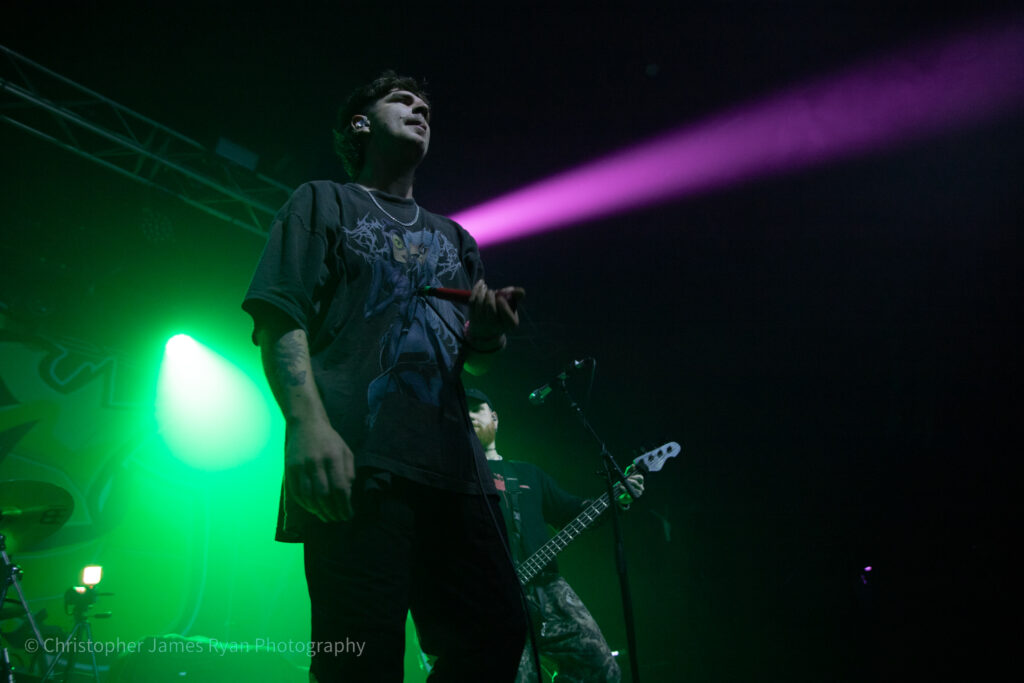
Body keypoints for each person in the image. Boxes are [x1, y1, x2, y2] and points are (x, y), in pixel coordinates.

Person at [242, 71, 527, 682]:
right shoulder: (322, 201)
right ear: (361, 124)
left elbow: (475, 358)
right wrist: (306, 427)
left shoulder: (457, 237)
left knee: (498, 632)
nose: (420, 108)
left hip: (457, 473)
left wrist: (488, 330)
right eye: (402, 100)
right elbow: (278, 313)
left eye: (426, 105)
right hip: (359, 460)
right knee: (358, 659)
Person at [466, 389, 644, 683]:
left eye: (476, 409)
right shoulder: (456, 477)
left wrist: (618, 499)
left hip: (546, 587)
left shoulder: (528, 474)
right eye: (463, 411)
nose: (469, 416)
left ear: (495, 418)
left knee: (601, 668)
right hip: (492, 597)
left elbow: (571, 512)